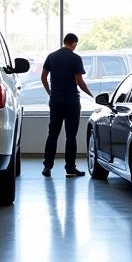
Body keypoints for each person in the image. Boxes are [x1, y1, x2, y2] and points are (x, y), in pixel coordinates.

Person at [41, 33, 93, 178]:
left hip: (56, 101)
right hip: (71, 102)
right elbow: (79, 82)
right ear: (74, 43)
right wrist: (91, 95)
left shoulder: (51, 56)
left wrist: (50, 93)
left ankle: (47, 167)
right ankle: (70, 168)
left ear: (64, 42)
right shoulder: (75, 58)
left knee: (52, 135)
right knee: (71, 136)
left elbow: (43, 77)